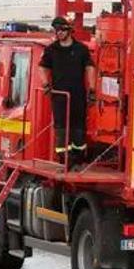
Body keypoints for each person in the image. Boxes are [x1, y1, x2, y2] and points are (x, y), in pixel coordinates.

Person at [39, 16, 95, 165]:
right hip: (59, 96)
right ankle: (64, 159)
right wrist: (45, 84)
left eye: (61, 30)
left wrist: (92, 89)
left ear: (69, 30)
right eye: (56, 31)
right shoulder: (51, 50)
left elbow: (90, 68)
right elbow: (43, 67)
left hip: (78, 95)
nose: (59, 33)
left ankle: (78, 158)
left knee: (78, 127)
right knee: (61, 128)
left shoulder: (81, 49)